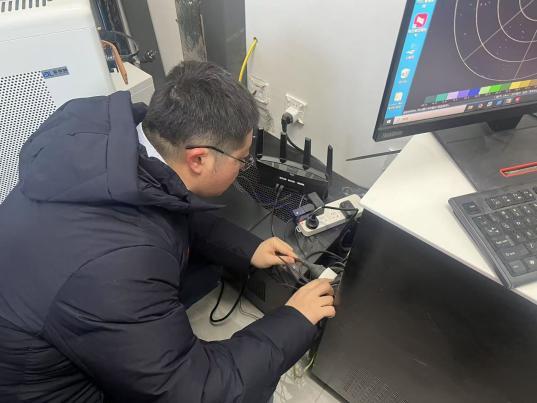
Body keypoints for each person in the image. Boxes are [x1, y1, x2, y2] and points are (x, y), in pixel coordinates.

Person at [0, 61, 335, 402]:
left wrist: (248, 248)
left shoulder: (107, 140)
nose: (243, 168)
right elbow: (195, 390)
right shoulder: (122, 264)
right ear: (199, 159)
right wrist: (295, 320)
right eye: (242, 160)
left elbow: (167, 204)